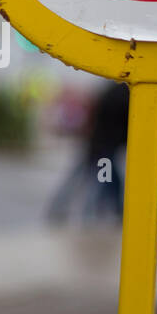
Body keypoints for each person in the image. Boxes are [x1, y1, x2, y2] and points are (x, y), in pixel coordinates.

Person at [47, 81, 129, 224]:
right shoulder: (123, 95)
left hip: (97, 143)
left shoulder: (112, 90)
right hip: (106, 146)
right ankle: (89, 214)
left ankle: (60, 208)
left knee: (90, 178)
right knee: (102, 180)